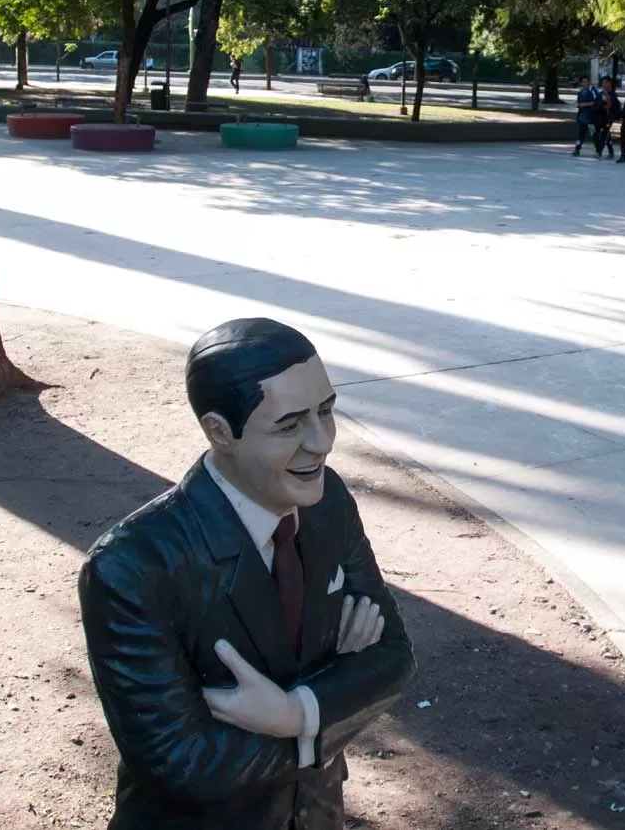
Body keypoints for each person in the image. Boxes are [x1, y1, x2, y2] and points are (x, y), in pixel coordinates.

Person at [79, 318, 416, 830]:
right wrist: (327, 713)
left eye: (326, 411)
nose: (321, 442)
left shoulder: (330, 504)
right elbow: (181, 761)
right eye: (289, 425)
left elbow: (392, 658)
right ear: (220, 431)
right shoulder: (132, 567)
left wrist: (294, 713)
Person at [594, 76, 619, 159]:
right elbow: (597, 104)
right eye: (603, 83)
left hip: (609, 117)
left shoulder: (613, 94)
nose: (604, 84)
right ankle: (611, 152)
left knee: (605, 134)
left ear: (609, 83)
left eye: (605, 83)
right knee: (603, 135)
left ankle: (599, 152)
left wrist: (608, 103)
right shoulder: (600, 94)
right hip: (600, 117)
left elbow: (614, 105)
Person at [573, 75, 598, 157]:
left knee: (594, 134)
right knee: (581, 134)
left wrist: (584, 104)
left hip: (590, 117)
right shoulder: (580, 93)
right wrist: (579, 105)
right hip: (582, 117)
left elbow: (596, 101)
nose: (585, 83)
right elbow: (578, 103)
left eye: (586, 81)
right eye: (583, 82)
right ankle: (577, 149)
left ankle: (598, 150)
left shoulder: (592, 91)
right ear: (581, 83)